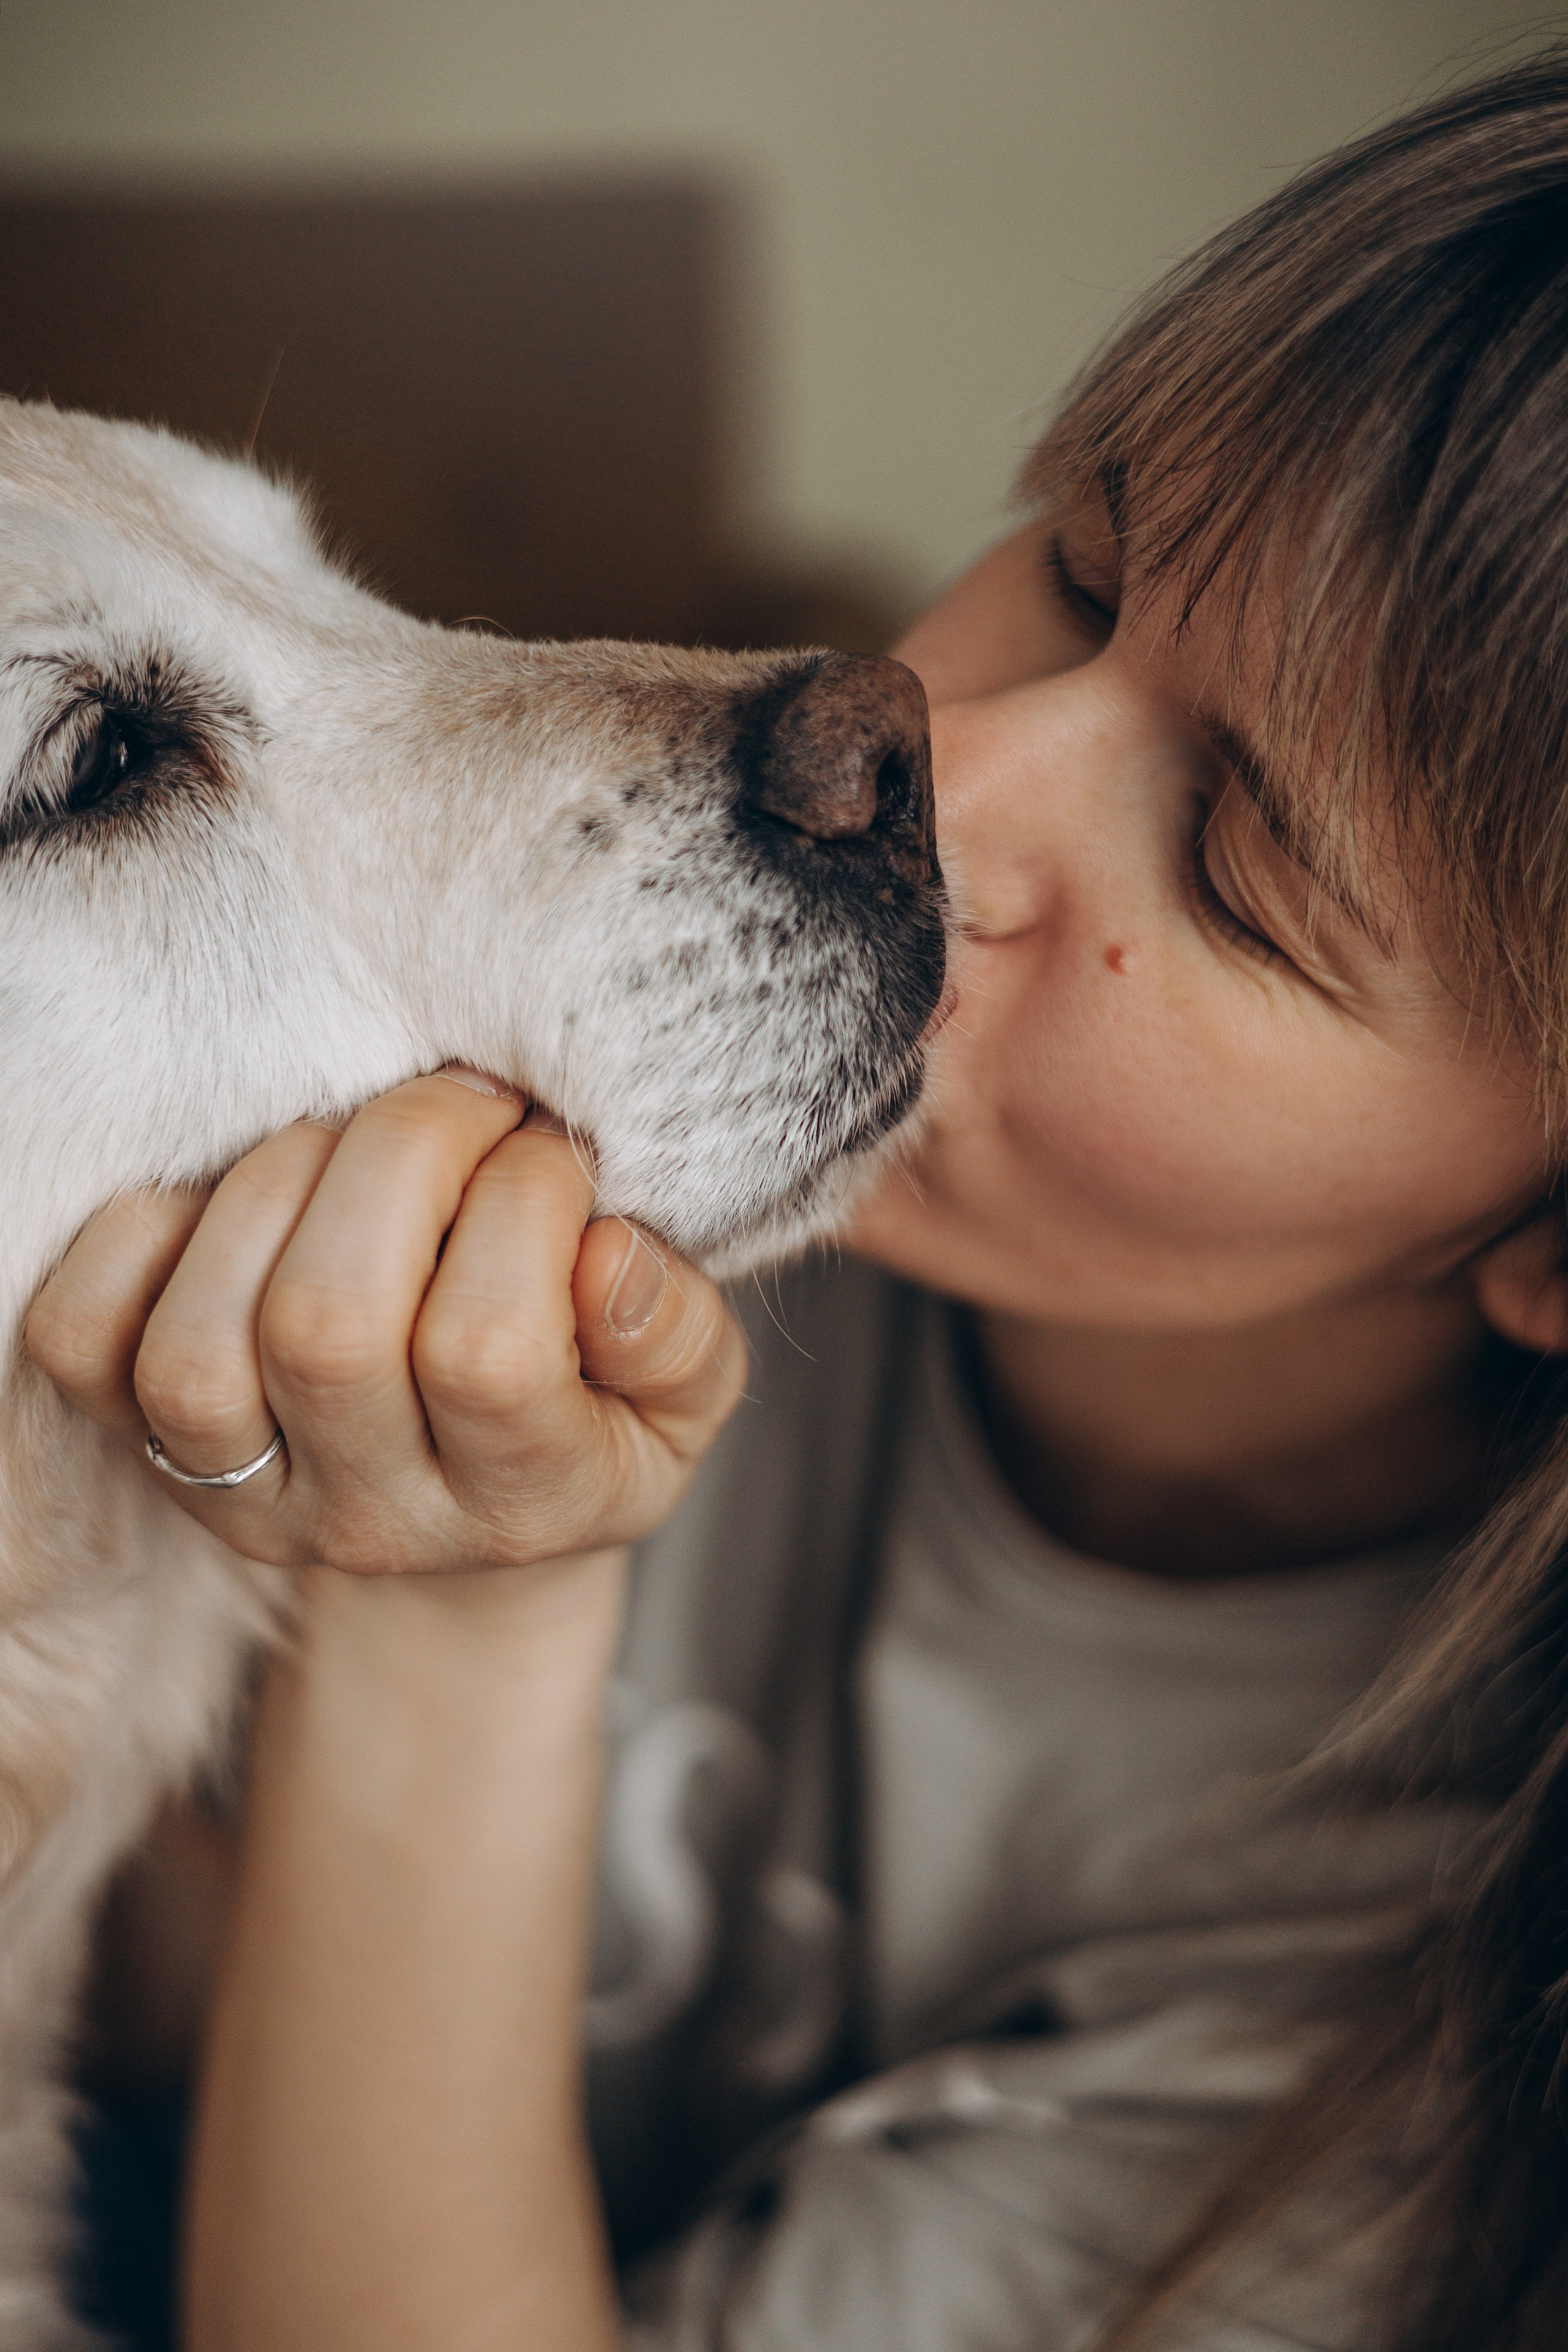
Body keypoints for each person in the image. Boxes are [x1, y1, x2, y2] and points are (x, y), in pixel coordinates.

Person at [28, 49, 1568, 2352]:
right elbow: (155, 1988)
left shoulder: (1408, 1996)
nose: (941, 758)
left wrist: (461, 1606)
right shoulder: (655, 1117)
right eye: (1080, 569)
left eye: (1245, 878)